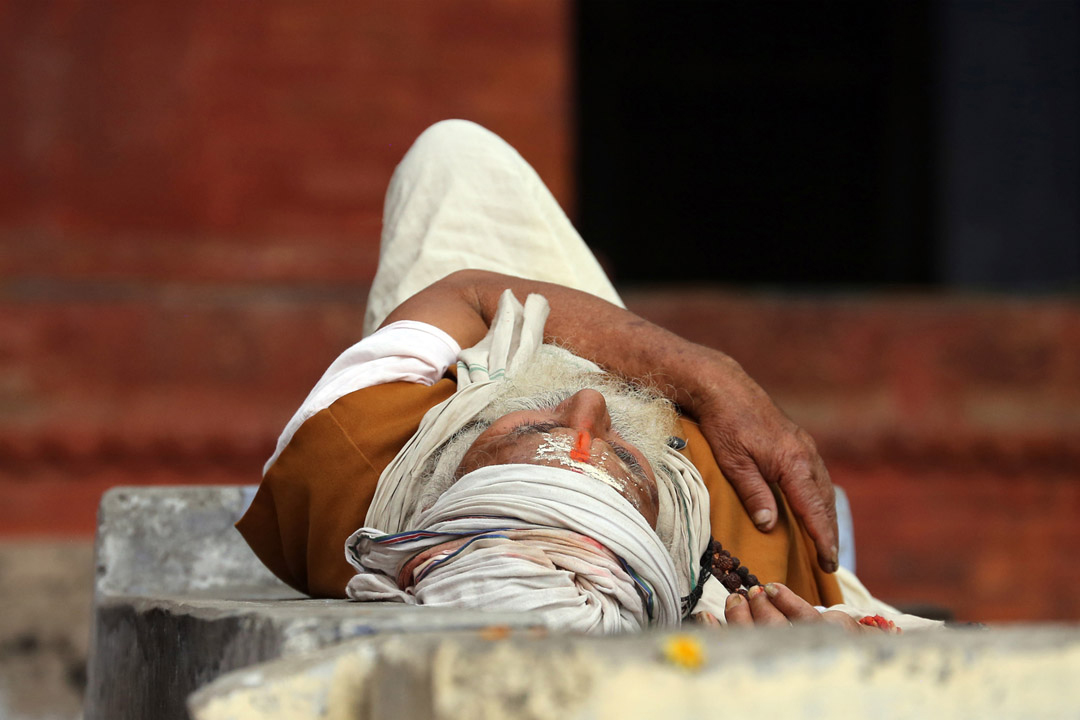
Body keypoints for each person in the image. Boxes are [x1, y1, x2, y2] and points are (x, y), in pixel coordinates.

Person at [237, 120, 940, 633]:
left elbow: (473, 294)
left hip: (486, 364)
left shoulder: (342, 458)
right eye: (624, 460)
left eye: (537, 429)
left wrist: (709, 377)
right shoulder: (750, 554)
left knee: (453, 157)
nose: (587, 401)